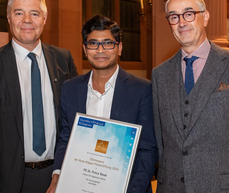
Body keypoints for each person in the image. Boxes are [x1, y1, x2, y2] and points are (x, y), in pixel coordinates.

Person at [151, 0, 229, 192]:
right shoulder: (160, 75)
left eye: (189, 14)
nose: (181, 22)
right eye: (173, 16)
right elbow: (162, 143)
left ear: (205, 17)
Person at [0, 0, 78, 192]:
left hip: (59, 177)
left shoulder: (64, 59)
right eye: (19, 13)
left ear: (44, 18)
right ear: (9, 18)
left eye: (34, 13)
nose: (27, 20)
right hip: (8, 181)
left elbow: (75, 121)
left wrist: (63, 172)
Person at [47, 15, 158, 193]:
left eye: (108, 43)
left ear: (119, 48)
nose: (100, 50)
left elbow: (147, 150)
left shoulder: (142, 90)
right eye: (93, 44)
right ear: (85, 49)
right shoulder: (70, 88)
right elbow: (65, 139)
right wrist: (57, 176)